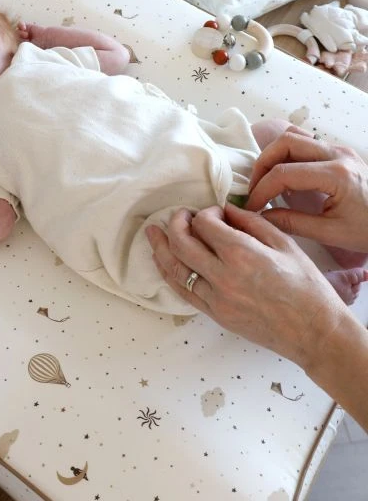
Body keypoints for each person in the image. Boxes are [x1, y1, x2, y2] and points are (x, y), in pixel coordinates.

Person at [0, 0, 366, 315]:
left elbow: (115, 56)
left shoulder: (41, 61)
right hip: (154, 219)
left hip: (194, 148)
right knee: (233, 261)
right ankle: (318, 291)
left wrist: (47, 36)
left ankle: (341, 234)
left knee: (277, 137)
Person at [146, 129, 368, 432]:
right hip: (194, 180)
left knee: (269, 143)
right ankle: (333, 248)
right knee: (273, 137)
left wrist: (319, 328)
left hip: (191, 162)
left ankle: (317, 277)